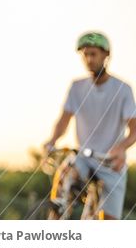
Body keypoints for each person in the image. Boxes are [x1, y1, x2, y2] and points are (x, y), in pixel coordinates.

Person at [44, 32, 136, 219]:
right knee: (64, 176)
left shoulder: (122, 89)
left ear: (105, 55)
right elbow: (64, 119)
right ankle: (54, 226)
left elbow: (134, 129)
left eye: (93, 54)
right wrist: (52, 140)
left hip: (111, 162)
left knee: (107, 222)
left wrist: (120, 149)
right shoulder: (77, 87)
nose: (89, 59)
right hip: (84, 157)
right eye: (85, 55)